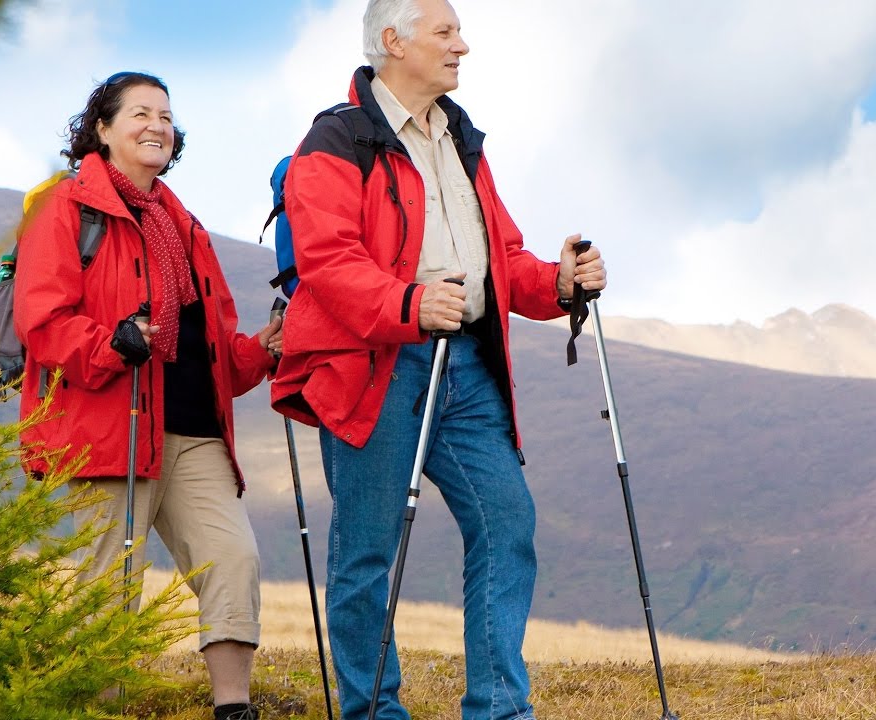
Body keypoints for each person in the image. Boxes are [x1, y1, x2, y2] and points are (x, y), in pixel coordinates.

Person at [270, 1, 607, 718]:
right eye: (446, 32)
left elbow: (499, 258)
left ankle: (498, 708)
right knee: (367, 552)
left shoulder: (461, 137)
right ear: (393, 41)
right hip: (375, 367)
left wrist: (558, 282)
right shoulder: (335, 140)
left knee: (507, 523)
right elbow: (328, 261)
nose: (463, 46)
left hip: (467, 369)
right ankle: (373, 712)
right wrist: (408, 305)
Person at [14, 71, 279, 720]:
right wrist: (113, 343)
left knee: (233, 559)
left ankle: (233, 708)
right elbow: (42, 320)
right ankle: (96, 710)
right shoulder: (65, 209)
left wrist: (263, 349)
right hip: (109, 428)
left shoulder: (182, 225)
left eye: (165, 115)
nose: (158, 125)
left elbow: (210, 348)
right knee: (109, 585)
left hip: (193, 431)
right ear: (102, 129)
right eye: (140, 113)